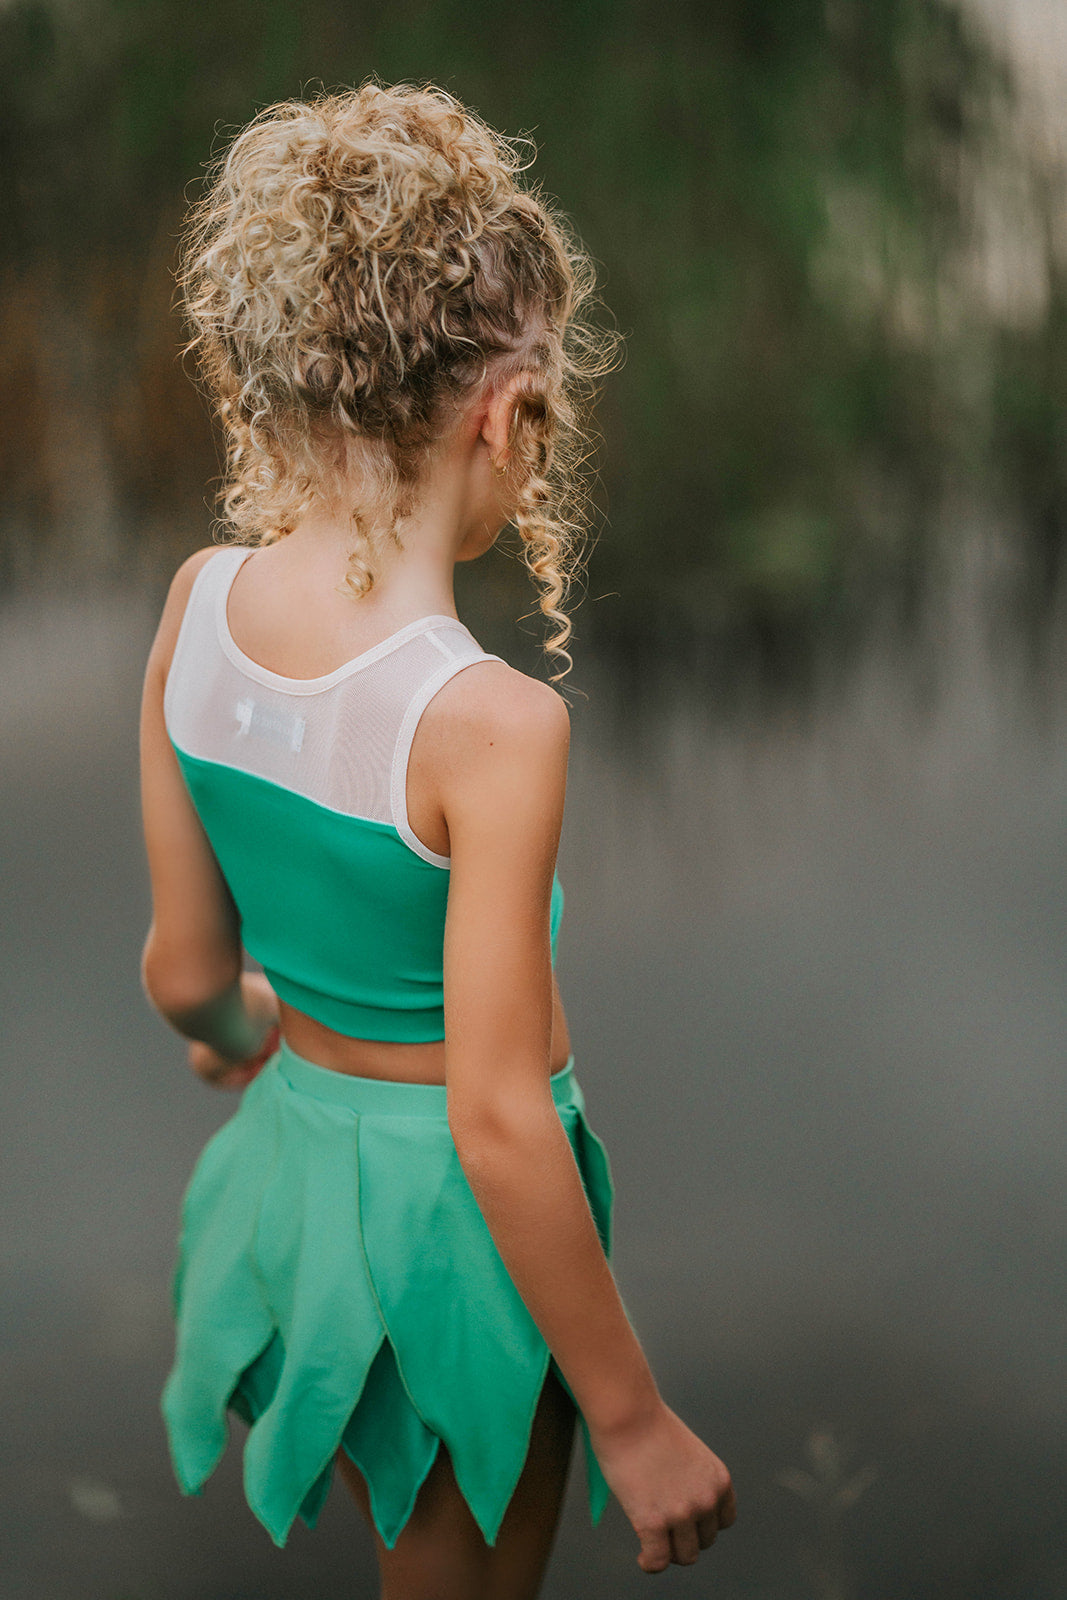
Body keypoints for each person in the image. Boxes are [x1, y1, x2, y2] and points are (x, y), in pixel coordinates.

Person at [138, 80, 736, 1599]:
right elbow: (497, 1117)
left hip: (296, 1192)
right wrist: (635, 1416)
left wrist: (238, 1027)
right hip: (452, 1247)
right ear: (503, 415)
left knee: (402, 1540)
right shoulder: (488, 726)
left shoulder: (197, 606)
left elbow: (184, 967)